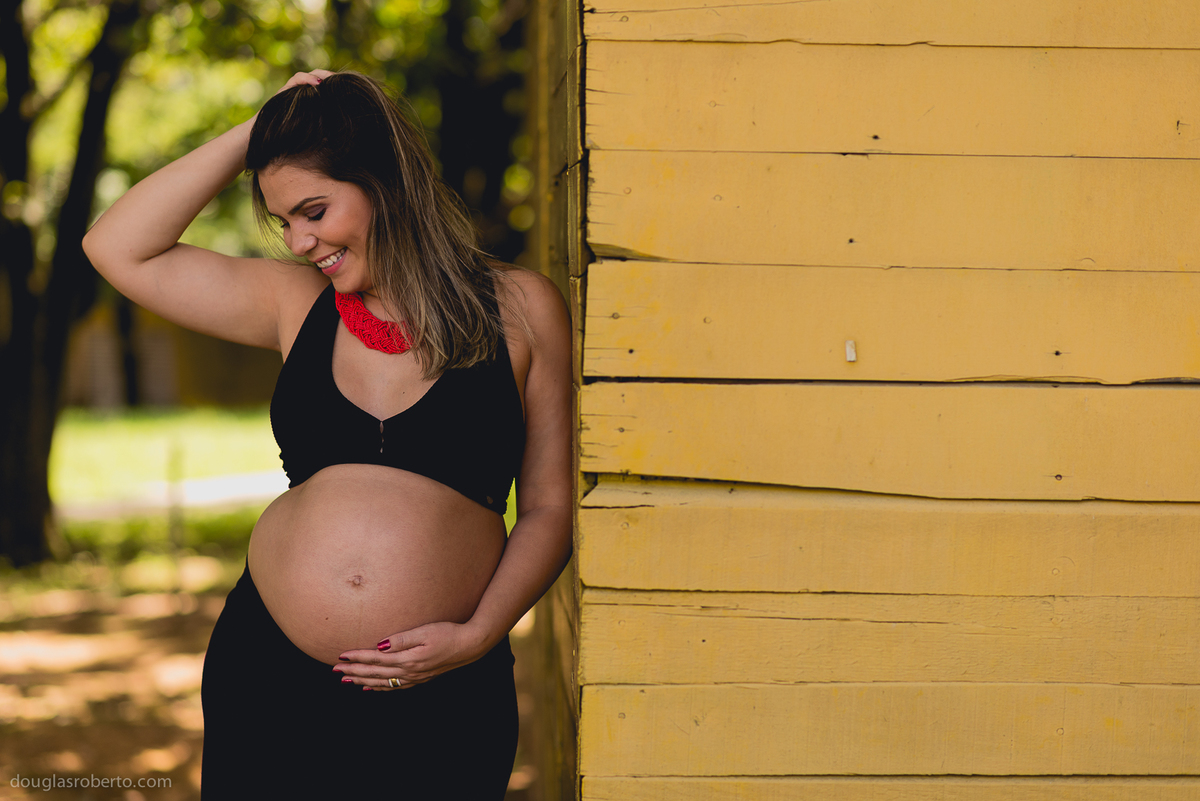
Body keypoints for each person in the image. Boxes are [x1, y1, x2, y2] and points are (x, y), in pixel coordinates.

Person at [82, 70, 572, 798]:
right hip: (271, 677)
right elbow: (117, 246)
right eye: (284, 221)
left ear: (386, 181)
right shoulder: (293, 301)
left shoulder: (520, 307)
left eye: (314, 209)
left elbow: (549, 508)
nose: (301, 240)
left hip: (443, 684)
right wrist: (262, 129)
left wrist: (477, 635)